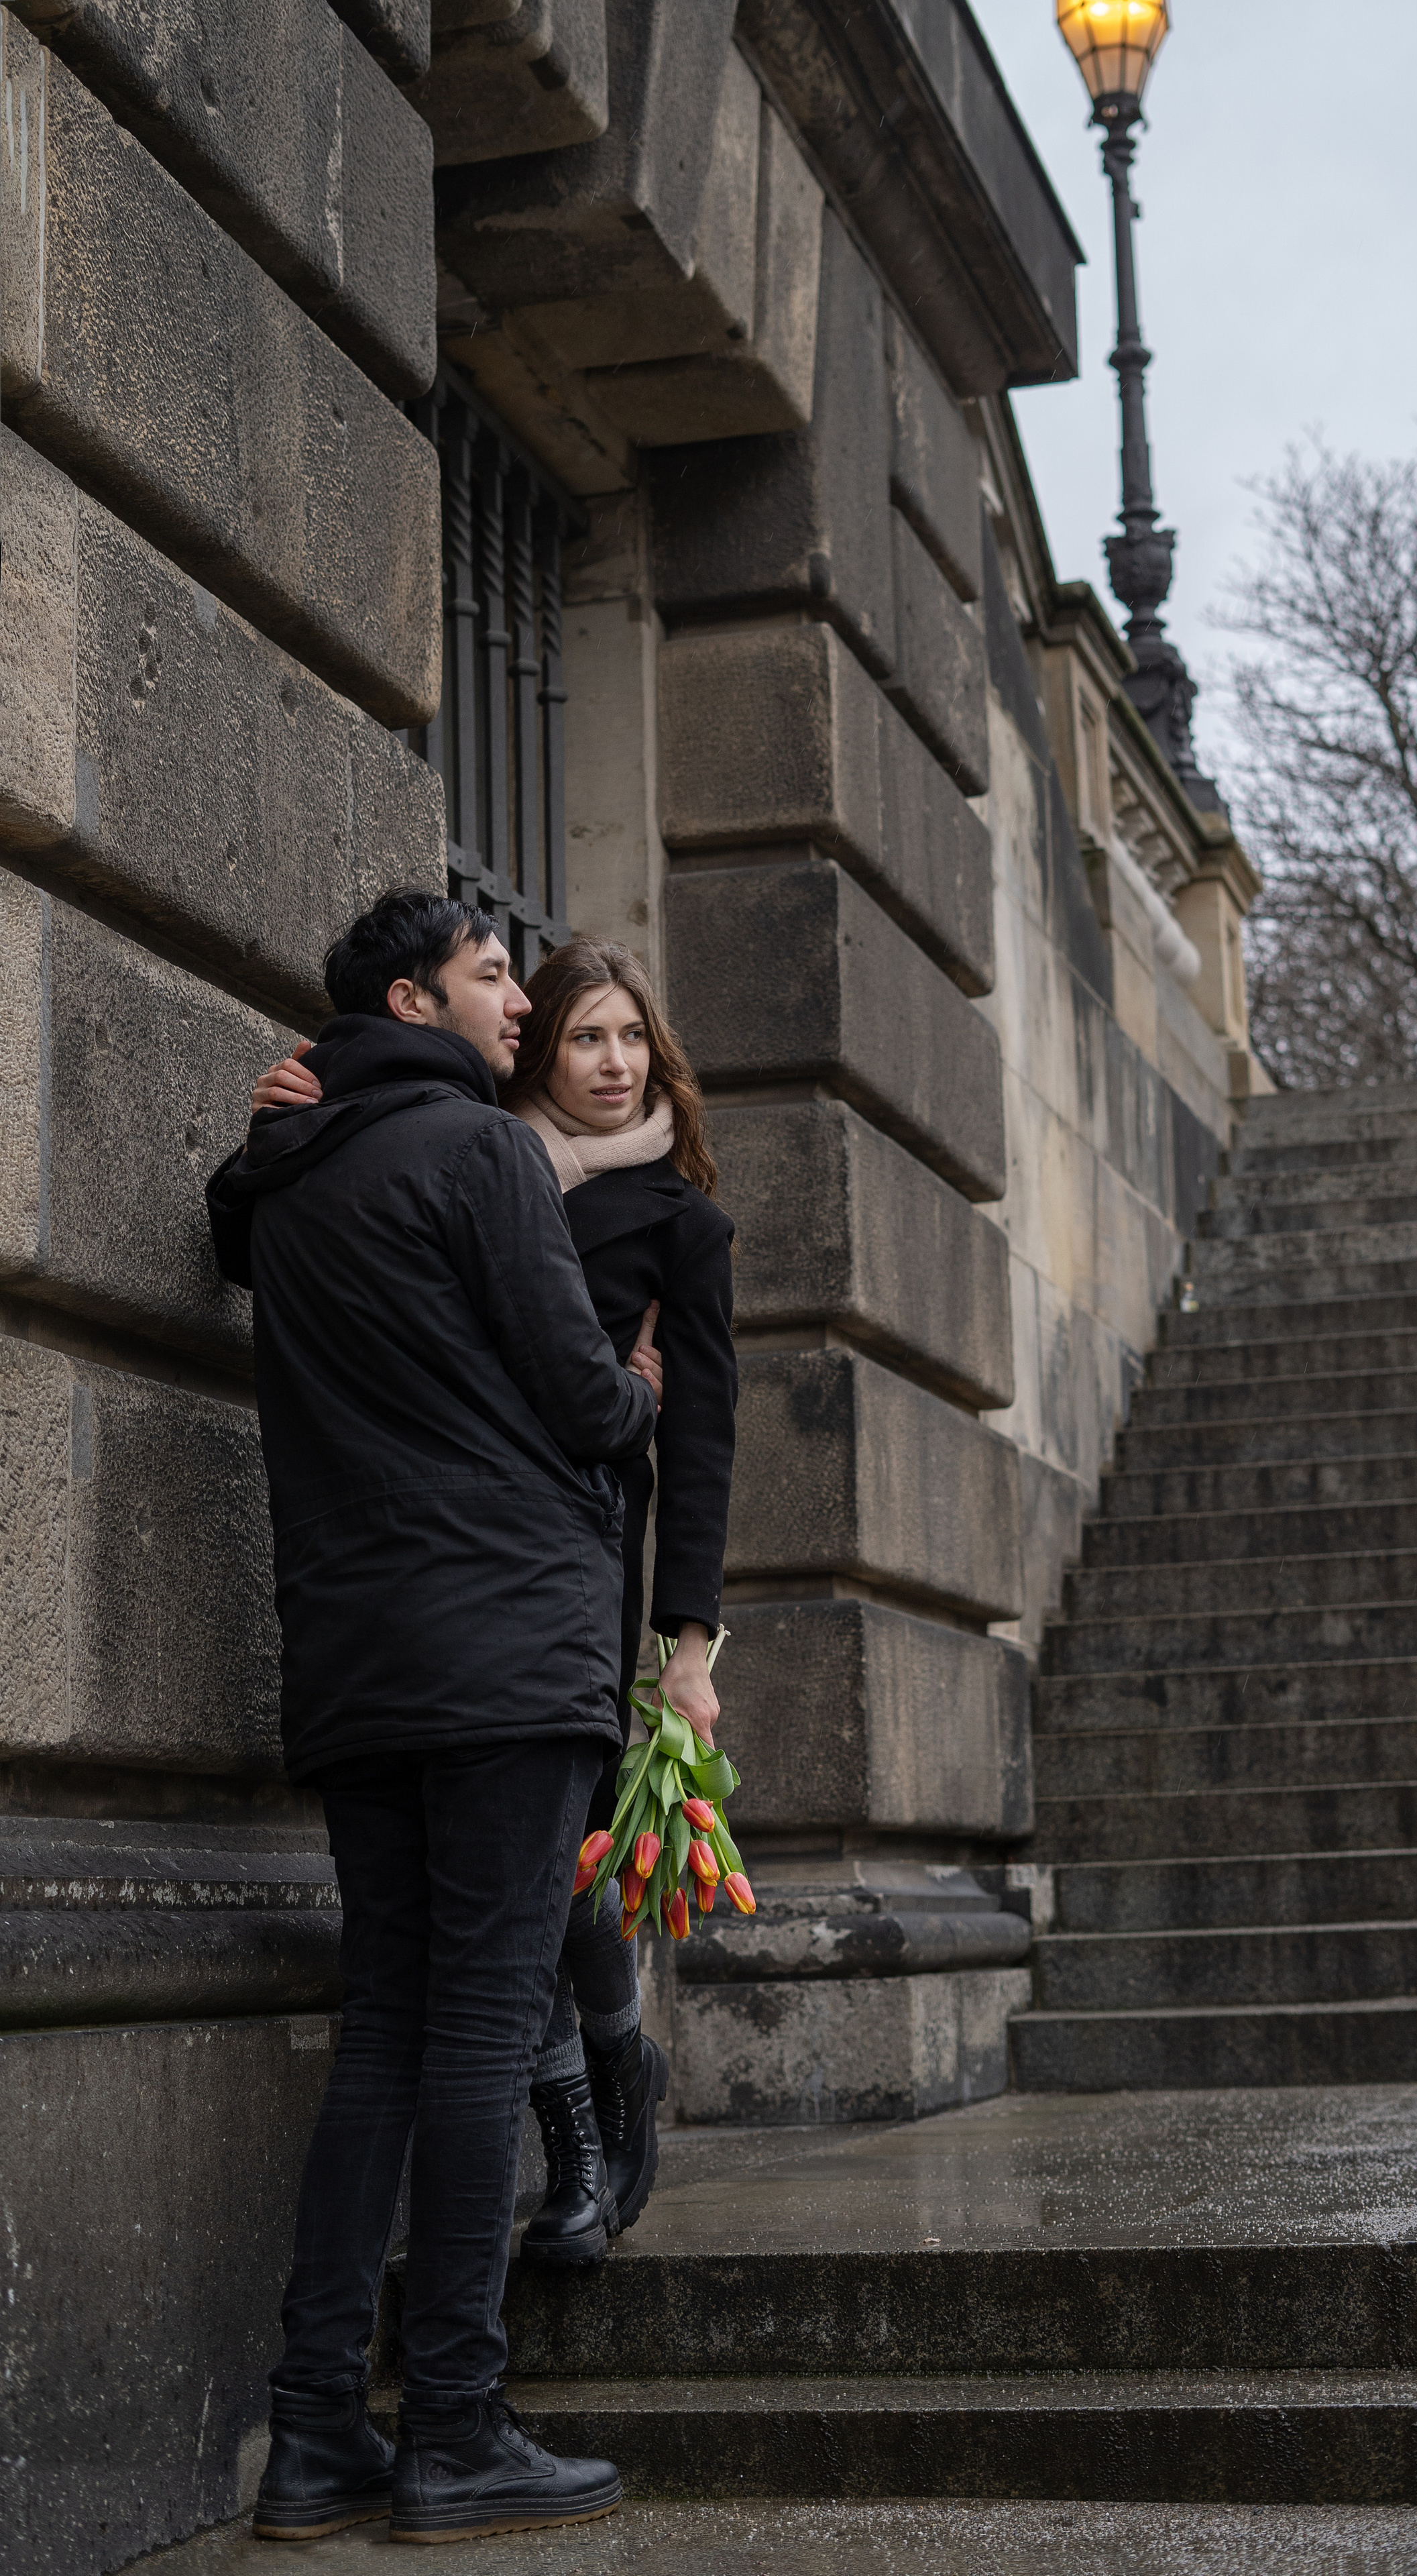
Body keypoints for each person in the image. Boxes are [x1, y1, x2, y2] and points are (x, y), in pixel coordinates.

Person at [207, 890, 659, 2546]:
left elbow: (234, 1221)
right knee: (478, 2026)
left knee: (388, 2030)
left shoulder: (286, 1172)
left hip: (356, 1658)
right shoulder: (479, 1153)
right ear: (413, 1001)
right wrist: (638, 1392)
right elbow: (576, 1393)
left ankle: (318, 2429)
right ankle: (456, 2426)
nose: (519, 1007)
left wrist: (284, 1118)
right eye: (490, 979)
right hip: (502, 1648)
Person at [248, 934, 738, 2271]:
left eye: (632, 1040)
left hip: (578, 1559)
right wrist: (285, 1120)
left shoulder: (680, 1223)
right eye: (584, 1036)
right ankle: (578, 2127)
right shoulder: (472, 1156)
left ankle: (610, 2061)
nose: (613, 1063)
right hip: (473, 1575)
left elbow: (696, 1442)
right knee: (525, 1889)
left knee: (559, 1863)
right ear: (532, 1049)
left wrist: (688, 1642)